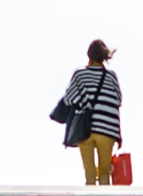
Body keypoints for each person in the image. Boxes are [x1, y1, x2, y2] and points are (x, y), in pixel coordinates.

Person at [52, 40, 123, 185]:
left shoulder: (79, 75)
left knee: (90, 174)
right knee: (104, 172)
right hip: (108, 129)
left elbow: (69, 98)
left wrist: (85, 101)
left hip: (85, 129)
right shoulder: (111, 77)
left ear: (89, 55)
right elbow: (118, 100)